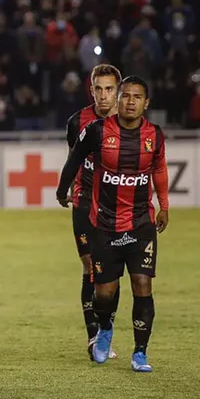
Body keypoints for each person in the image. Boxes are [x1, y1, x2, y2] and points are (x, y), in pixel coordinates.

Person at [56, 76, 169, 373]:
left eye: (136, 97)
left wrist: (165, 206)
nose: (130, 101)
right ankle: (104, 327)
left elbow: (159, 169)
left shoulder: (154, 135)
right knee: (104, 291)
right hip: (104, 223)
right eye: (126, 96)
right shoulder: (96, 130)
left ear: (146, 103)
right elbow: (74, 160)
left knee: (142, 284)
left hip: (141, 222)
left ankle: (140, 353)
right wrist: (61, 189)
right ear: (118, 100)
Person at [65, 64, 122, 360]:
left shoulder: (130, 122)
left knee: (111, 274)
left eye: (109, 89)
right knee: (89, 266)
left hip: (118, 207)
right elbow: (73, 161)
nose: (103, 95)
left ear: (118, 91)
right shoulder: (77, 122)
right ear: (91, 90)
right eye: (98, 89)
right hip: (85, 202)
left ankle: (106, 329)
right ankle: (93, 336)